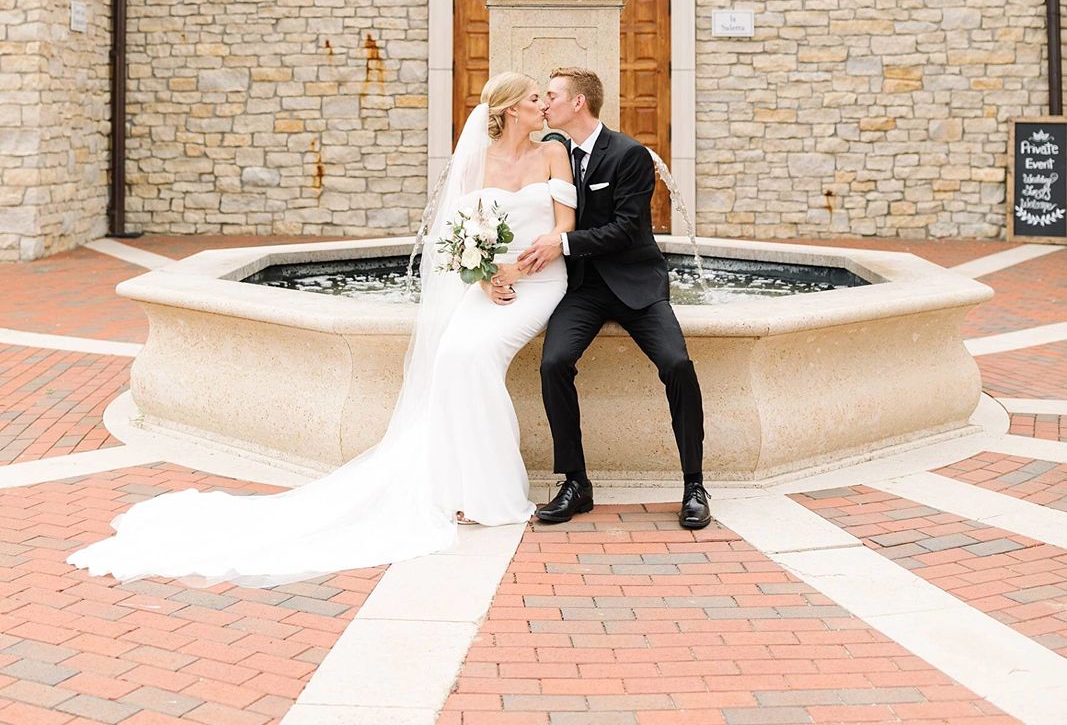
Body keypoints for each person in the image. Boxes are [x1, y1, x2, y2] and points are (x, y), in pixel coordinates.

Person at [67, 73, 575, 586]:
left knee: (474, 356)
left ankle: (491, 491)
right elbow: (461, 232)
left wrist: (522, 267)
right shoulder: (476, 160)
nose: (543, 106)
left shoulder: (554, 153)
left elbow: (564, 227)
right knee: (452, 358)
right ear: (511, 109)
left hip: (540, 282)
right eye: (535, 99)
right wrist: (485, 275)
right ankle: (462, 485)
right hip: (489, 287)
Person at [516, 67, 710, 531]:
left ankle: (694, 486)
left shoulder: (628, 154)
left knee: (677, 364)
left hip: (635, 284)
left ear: (578, 102)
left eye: (552, 95)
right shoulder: (553, 153)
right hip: (581, 289)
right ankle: (576, 483)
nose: (544, 103)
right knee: (553, 363)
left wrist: (561, 244)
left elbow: (627, 228)